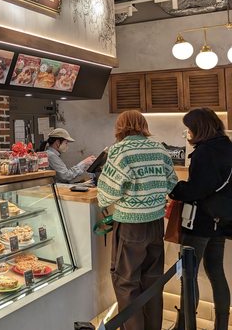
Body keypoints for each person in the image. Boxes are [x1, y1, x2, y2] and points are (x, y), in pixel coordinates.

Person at [97, 110, 177, 330]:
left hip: (130, 225)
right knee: (153, 281)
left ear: (120, 127)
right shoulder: (159, 148)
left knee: (126, 283)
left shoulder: (119, 150)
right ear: (143, 125)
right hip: (156, 224)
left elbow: (107, 194)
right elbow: (172, 183)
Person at [169, 108, 232, 330]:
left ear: (198, 128)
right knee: (216, 271)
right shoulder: (227, 147)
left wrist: (176, 189)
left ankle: (185, 325)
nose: (188, 132)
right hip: (221, 220)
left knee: (189, 274)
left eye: (189, 128)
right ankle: (221, 325)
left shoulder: (204, 152)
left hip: (199, 221)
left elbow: (198, 189)